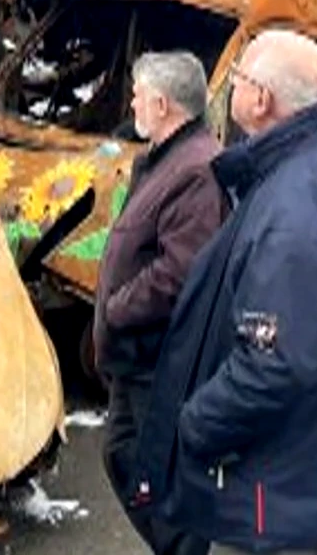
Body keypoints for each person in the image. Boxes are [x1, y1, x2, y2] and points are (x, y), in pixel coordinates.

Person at [138, 30, 317, 555]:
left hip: (287, 493)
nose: (231, 88)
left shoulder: (298, 200)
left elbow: (281, 361)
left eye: (237, 78)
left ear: (260, 99)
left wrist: (195, 423)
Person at [95, 51, 228, 555]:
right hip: (137, 359)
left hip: (159, 362)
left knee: (160, 479)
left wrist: (119, 307)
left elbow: (181, 271)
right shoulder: (165, 157)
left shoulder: (195, 169)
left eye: (137, 93)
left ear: (162, 102)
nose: (131, 101)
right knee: (123, 458)